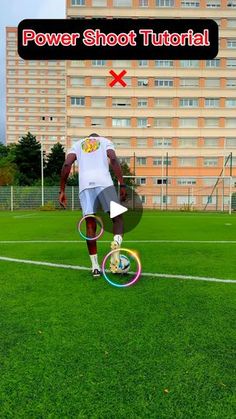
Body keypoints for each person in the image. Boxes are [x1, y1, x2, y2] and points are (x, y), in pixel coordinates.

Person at [59, 133, 127, 278]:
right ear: (97, 137)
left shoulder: (78, 144)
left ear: (88, 138)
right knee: (117, 218)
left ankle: (95, 267)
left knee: (90, 225)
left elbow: (67, 164)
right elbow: (113, 159)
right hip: (104, 183)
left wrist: (62, 190)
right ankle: (116, 242)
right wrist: (122, 183)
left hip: (85, 185)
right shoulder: (105, 141)